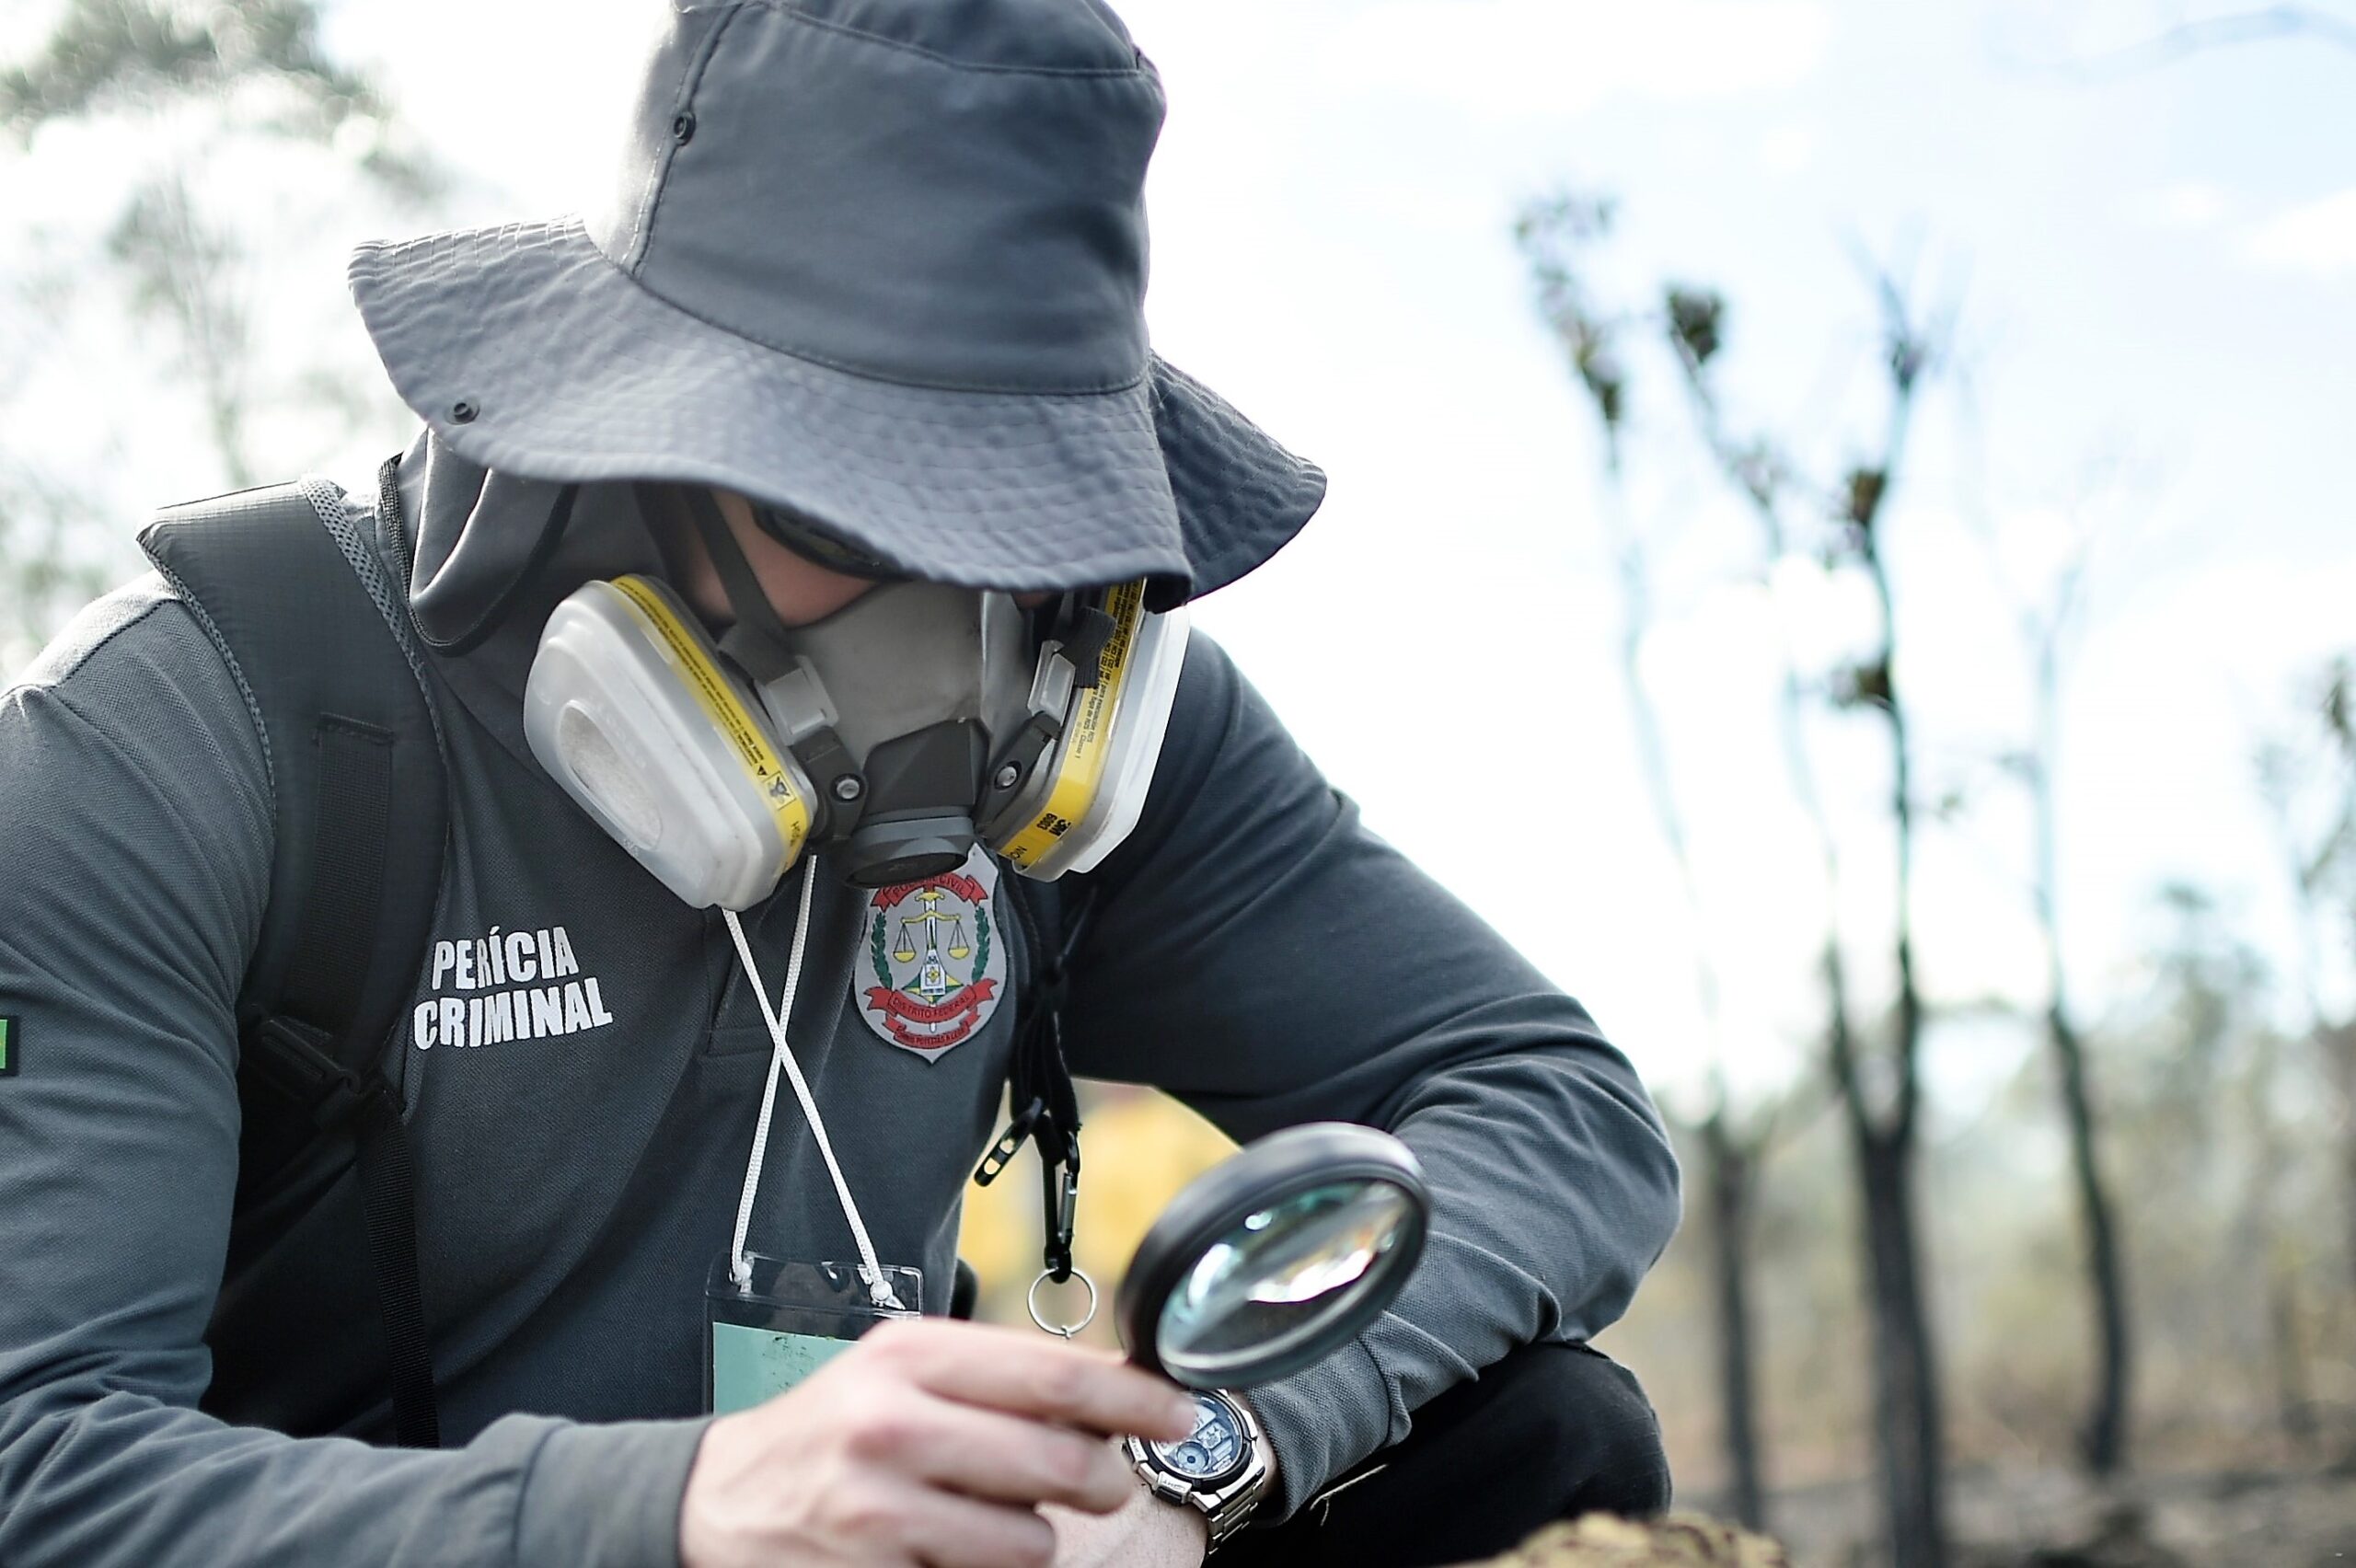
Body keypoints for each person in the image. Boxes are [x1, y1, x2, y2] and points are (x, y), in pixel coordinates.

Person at [0, 2, 1681, 1565]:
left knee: (1547, 1437)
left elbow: (1555, 1103)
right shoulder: (183, 738)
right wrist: (667, 1515)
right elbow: (39, 1460)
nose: (946, 635)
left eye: (1026, 526)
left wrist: (1197, 1459)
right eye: (847, 516)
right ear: (636, 418)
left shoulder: (1095, 718)